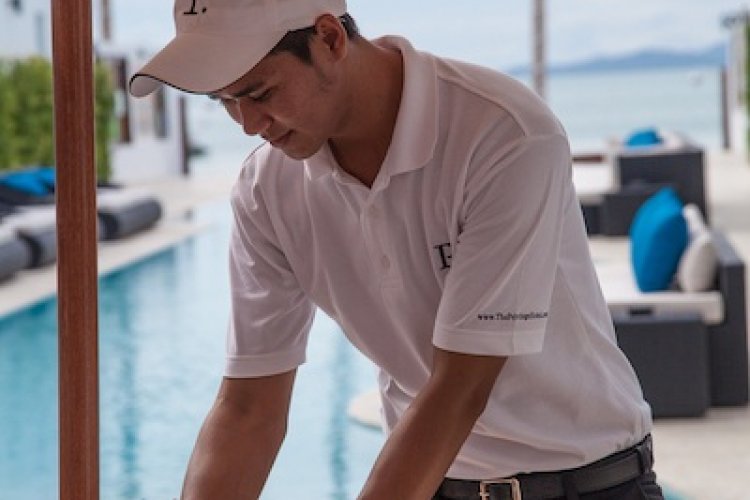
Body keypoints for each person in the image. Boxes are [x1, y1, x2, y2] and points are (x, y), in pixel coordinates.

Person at [129, 1, 664, 498]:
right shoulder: (266, 190)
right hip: (432, 484)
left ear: (329, 38)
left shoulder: (504, 134)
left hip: (592, 486)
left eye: (260, 93)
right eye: (225, 101)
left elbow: (461, 388)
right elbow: (248, 409)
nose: (248, 125)